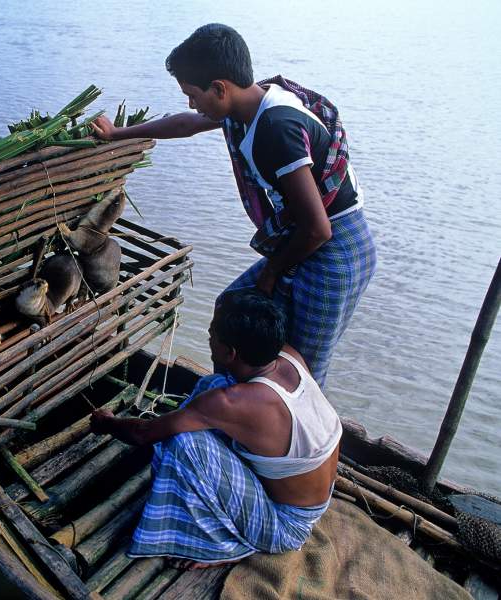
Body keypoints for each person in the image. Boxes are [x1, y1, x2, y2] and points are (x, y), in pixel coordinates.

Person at [91, 23, 376, 387]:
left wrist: (272, 272)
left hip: (336, 250)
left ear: (219, 88)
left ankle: (286, 436)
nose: (191, 104)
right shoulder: (248, 104)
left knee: (302, 363)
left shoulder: (276, 128)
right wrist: (119, 134)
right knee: (232, 310)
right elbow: (186, 125)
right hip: (305, 238)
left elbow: (319, 229)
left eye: (192, 95)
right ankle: (231, 407)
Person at [90, 289, 341, 568]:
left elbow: (142, 434)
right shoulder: (288, 355)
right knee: (212, 386)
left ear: (230, 352)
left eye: (212, 335)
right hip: (312, 503)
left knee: (185, 443)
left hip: (284, 527)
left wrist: (107, 422)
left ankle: (216, 546)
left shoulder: (233, 402)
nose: (208, 338)